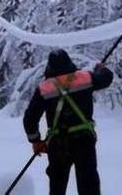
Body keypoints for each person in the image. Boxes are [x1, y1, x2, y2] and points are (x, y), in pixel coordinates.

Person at [23, 49, 114, 195]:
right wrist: (100, 68)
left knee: (57, 187)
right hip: (84, 141)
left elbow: (30, 118)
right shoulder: (85, 78)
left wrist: (36, 140)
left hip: (58, 144)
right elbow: (107, 78)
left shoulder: (44, 88)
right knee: (88, 184)